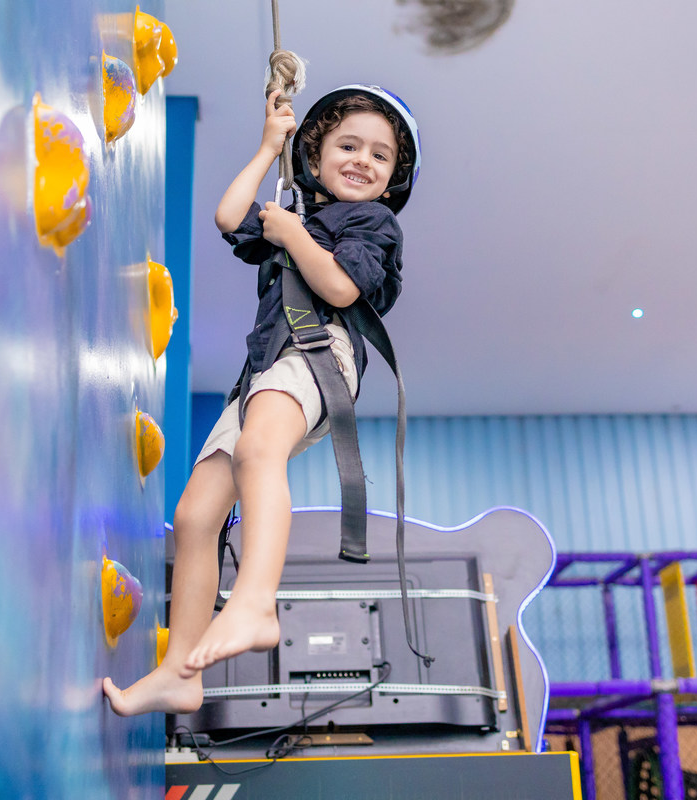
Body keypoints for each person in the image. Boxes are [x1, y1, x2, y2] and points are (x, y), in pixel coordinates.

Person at [103, 84, 420, 716]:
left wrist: (295, 235)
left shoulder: (371, 223)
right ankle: (178, 673)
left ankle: (254, 602)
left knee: (258, 453)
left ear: (390, 181)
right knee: (196, 515)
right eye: (348, 145)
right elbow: (228, 216)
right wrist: (268, 145)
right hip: (264, 371)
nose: (362, 159)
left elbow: (339, 286)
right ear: (316, 154)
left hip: (317, 353)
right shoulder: (295, 211)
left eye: (379, 156)